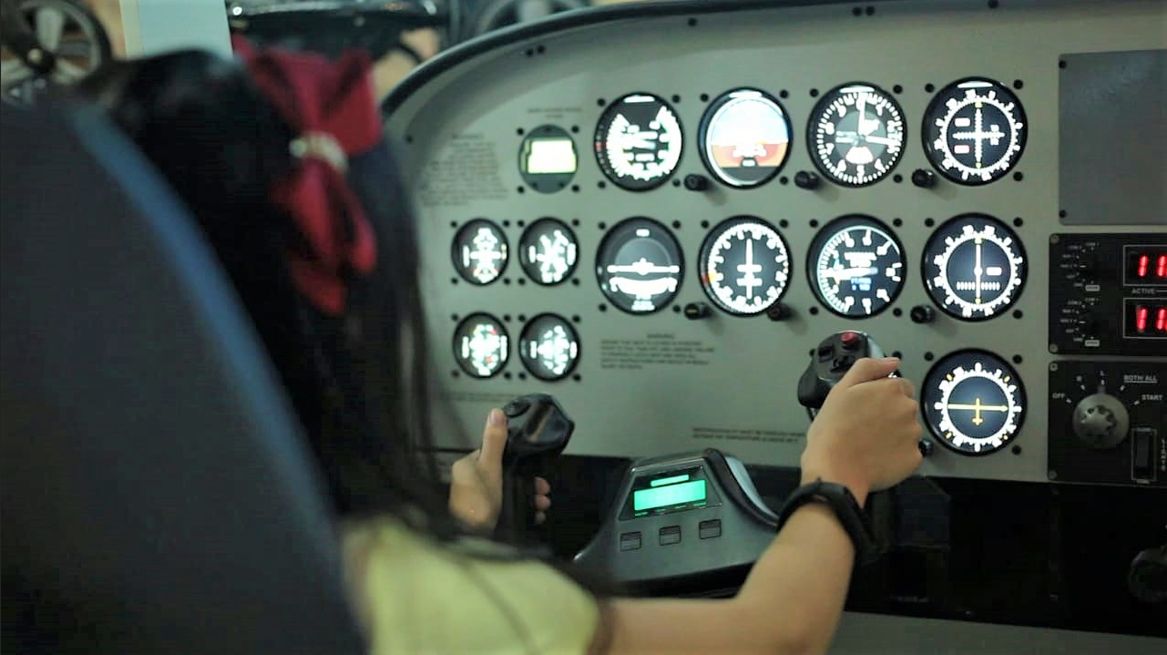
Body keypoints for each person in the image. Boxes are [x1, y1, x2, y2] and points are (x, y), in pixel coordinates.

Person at [78, 43, 923, 654]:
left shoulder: (84, 554)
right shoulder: (413, 601)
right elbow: (767, 635)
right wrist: (835, 474)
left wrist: (455, 527)